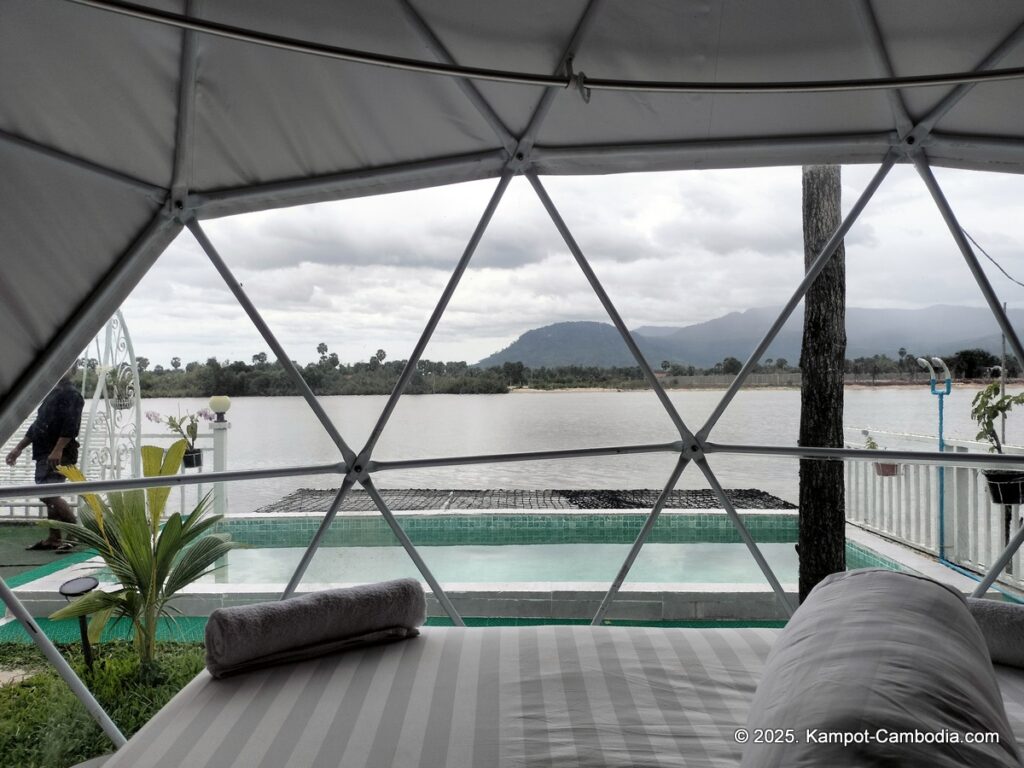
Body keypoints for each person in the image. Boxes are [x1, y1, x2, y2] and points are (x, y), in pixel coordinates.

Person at [4, 365, 84, 551]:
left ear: (73, 371)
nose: (60, 369)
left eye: (66, 366)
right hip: (43, 451)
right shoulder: (51, 393)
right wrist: (18, 448)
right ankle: (54, 538)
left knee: (48, 494)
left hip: (59, 453)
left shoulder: (72, 395)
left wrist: (57, 450)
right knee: (48, 493)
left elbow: (71, 426)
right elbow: (37, 425)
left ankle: (75, 532)